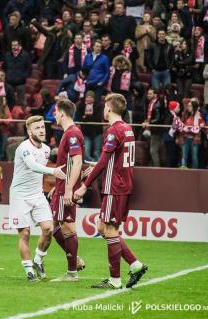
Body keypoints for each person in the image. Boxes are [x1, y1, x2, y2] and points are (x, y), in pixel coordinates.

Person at [74, 93, 148, 289]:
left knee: (110, 230)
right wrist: (95, 165)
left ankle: (115, 280)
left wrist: (84, 185)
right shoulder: (128, 129)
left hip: (114, 186)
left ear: (109, 109)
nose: (103, 109)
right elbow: (111, 160)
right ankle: (135, 265)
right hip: (123, 184)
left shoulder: (113, 131)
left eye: (105, 105)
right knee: (102, 228)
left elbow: (106, 161)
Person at [9, 115, 66, 281]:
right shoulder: (23, 148)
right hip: (20, 195)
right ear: (29, 131)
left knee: (48, 229)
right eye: (37, 128)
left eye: (42, 127)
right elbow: (32, 166)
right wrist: (53, 171)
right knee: (25, 233)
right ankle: (28, 270)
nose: (41, 130)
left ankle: (38, 260)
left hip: (37, 194)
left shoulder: (47, 149)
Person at [50, 99, 86, 281]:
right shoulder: (70, 133)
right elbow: (69, 163)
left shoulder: (72, 134)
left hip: (66, 188)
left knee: (67, 226)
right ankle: (75, 260)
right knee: (53, 225)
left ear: (62, 113)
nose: (54, 115)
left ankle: (72, 272)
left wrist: (69, 189)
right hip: (61, 186)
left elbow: (77, 161)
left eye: (55, 112)